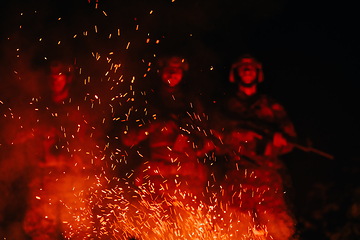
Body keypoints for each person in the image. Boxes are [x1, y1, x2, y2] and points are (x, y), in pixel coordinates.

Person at [209, 54, 297, 239]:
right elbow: (214, 139)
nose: (247, 71)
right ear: (236, 73)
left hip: (267, 178)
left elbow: (291, 141)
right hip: (237, 176)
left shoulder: (271, 106)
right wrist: (237, 135)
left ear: (258, 73)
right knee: (234, 228)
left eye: (251, 68)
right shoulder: (226, 107)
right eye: (243, 68)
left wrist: (280, 142)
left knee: (275, 230)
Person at [120, 56, 210, 204]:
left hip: (186, 177)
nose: (172, 74)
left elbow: (206, 141)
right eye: (169, 70)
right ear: (161, 71)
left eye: (177, 71)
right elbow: (128, 138)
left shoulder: (192, 102)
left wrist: (191, 134)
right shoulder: (148, 100)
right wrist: (155, 125)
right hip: (156, 174)